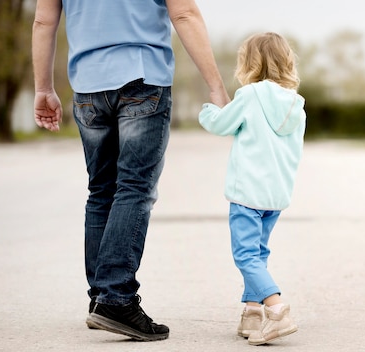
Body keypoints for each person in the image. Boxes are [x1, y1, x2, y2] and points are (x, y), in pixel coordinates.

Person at [32, 0, 230, 342]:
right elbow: (184, 13)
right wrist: (215, 85)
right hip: (142, 77)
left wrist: (44, 88)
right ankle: (116, 298)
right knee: (134, 188)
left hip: (88, 86)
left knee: (101, 191)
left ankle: (101, 297)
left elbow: (43, 22)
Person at [198, 32, 305, 346]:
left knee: (246, 256)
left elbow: (221, 124)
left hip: (247, 194)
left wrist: (207, 110)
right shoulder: (296, 105)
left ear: (249, 63)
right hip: (275, 196)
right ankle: (252, 312)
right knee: (258, 253)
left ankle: (277, 309)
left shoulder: (250, 95)